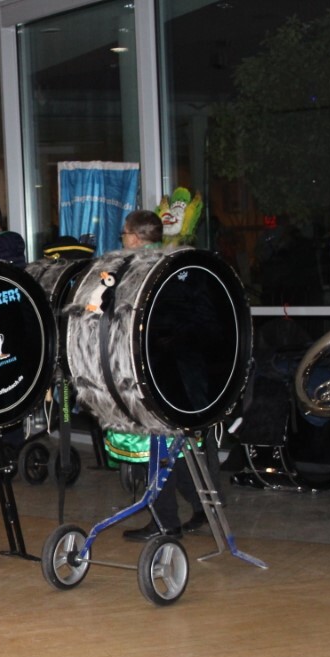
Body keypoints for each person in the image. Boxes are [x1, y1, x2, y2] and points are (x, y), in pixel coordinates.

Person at [113, 210, 213, 540]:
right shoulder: (177, 266)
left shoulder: (134, 270)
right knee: (174, 446)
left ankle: (165, 521)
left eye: (124, 233)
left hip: (151, 372)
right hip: (181, 374)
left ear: (135, 237)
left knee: (153, 448)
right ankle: (203, 509)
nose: (123, 239)